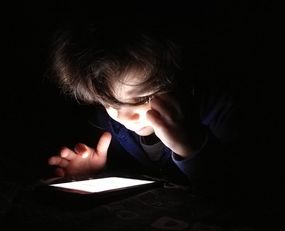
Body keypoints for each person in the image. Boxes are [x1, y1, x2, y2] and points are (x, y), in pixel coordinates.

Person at [46, 22, 243, 201]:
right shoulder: (107, 127)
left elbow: (235, 192)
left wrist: (192, 148)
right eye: (111, 104)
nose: (124, 117)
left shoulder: (220, 113)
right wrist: (94, 171)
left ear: (178, 80)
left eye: (142, 98)